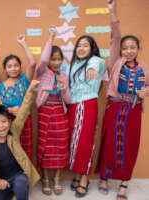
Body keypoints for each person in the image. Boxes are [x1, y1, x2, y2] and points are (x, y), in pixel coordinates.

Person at [96, 1, 149, 200]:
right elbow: (115, 36)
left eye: (132, 48)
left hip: (134, 111)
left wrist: (146, 91)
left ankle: (125, 181)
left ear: (138, 49)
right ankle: (104, 177)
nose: (128, 51)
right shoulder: (115, 62)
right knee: (110, 142)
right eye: (125, 48)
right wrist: (112, 12)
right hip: (116, 108)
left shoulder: (143, 67)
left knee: (130, 146)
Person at [0, 80, 40, 200]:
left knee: (20, 185)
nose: (1, 126)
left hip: (19, 176)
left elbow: (23, 111)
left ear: (9, 122)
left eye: (4, 122)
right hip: (3, 180)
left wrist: (30, 90)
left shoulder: (13, 132)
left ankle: (17, 191)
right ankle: (9, 192)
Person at [67, 34, 106, 197]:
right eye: (79, 45)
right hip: (73, 106)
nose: (81, 48)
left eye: (85, 45)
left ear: (92, 49)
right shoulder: (73, 64)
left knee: (85, 142)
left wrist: (91, 68)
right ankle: (78, 173)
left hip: (87, 104)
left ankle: (85, 178)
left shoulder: (96, 62)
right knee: (74, 141)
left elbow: (99, 63)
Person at [35, 27, 71, 195]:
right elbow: (42, 60)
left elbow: (69, 101)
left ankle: (57, 178)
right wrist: (51, 37)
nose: (56, 62)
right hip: (45, 113)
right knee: (45, 147)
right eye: (53, 59)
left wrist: (64, 90)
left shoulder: (64, 75)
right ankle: (46, 179)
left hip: (61, 115)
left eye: (59, 59)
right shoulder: (42, 72)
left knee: (60, 147)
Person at [0, 34, 36, 161]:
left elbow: (33, 63)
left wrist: (23, 43)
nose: (13, 68)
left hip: (25, 121)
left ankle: (26, 176)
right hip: (7, 123)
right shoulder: (1, 86)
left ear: (20, 68)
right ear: (5, 69)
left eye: (16, 65)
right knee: (10, 150)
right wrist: (9, 110)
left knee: (25, 149)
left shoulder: (24, 81)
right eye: (9, 66)